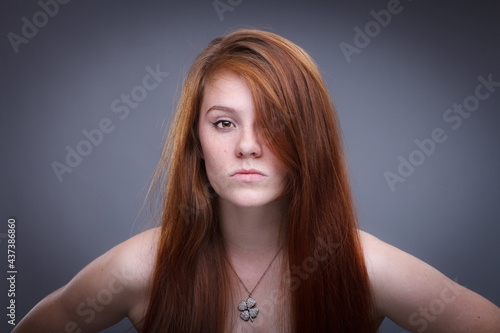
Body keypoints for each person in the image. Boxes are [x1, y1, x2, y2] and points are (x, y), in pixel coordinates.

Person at [14, 29, 500, 333]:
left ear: (310, 138)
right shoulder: (140, 267)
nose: (248, 145)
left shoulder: (365, 266)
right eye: (224, 123)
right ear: (196, 140)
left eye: (277, 122)